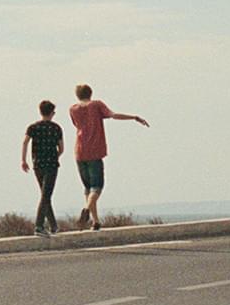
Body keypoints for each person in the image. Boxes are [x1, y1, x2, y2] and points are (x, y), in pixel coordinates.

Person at [69, 83, 149, 231]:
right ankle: (87, 209)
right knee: (97, 187)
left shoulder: (73, 109)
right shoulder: (96, 105)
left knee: (87, 187)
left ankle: (95, 221)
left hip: (79, 151)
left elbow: (76, 125)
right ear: (90, 93)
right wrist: (134, 117)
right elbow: (113, 115)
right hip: (95, 151)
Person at [20, 100, 64, 236]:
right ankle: (39, 226)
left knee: (45, 195)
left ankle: (53, 226)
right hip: (51, 164)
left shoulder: (33, 127)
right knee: (46, 195)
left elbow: (25, 142)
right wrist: (56, 155)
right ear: (52, 113)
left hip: (38, 164)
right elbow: (61, 148)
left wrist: (24, 160)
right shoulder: (56, 128)